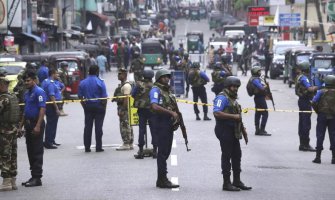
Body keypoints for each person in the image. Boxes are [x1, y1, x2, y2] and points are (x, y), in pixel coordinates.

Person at [213, 76, 252, 191]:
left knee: (237, 155)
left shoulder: (232, 98)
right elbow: (217, 113)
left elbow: (238, 116)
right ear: (228, 86)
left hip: (234, 131)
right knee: (227, 156)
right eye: (233, 86)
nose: (235, 88)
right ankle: (226, 183)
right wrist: (233, 116)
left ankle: (237, 180)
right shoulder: (222, 97)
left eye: (236, 87)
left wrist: (243, 130)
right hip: (224, 130)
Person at [149, 69, 179, 189]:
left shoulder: (167, 91)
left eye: (168, 77)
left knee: (166, 151)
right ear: (158, 78)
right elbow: (154, 106)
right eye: (164, 77)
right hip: (160, 123)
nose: (167, 78)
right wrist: (171, 113)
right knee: (162, 153)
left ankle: (160, 179)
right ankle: (162, 179)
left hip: (167, 123)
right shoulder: (155, 90)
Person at [20, 71, 47, 187]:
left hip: (36, 124)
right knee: (30, 151)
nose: (26, 82)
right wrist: (20, 126)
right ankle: (33, 176)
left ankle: (37, 178)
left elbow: (42, 109)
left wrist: (38, 126)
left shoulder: (39, 92)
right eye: (25, 81)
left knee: (36, 151)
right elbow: (25, 111)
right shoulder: (27, 93)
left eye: (28, 80)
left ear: (34, 80)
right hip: (28, 124)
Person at [78, 65, 108, 153]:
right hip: (99, 107)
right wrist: (104, 108)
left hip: (88, 107)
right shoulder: (100, 82)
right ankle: (98, 147)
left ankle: (87, 147)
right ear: (97, 71)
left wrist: (84, 106)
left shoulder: (83, 82)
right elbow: (104, 98)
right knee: (98, 127)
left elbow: (80, 96)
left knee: (87, 127)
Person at [0, 77, 20, 191]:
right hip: (13, 131)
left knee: (5, 156)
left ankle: (6, 182)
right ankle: (13, 181)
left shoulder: (3, 99)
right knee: (13, 155)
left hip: (4, 132)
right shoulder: (13, 97)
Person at [132, 70, 157, 159]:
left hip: (142, 110)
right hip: (152, 110)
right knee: (154, 129)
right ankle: (155, 151)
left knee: (141, 130)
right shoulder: (155, 86)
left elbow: (133, 94)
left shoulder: (138, 84)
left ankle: (141, 151)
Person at [311, 75, 335, 164]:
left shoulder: (321, 92)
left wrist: (318, 111)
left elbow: (313, 102)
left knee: (320, 135)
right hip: (333, 116)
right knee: (333, 136)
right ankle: (334, 157)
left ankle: (318, 157)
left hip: (322, 116)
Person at [295, 62, 318, 151]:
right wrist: (319, 87)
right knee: (306, 124)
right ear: (307, 69)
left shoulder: (299, 77)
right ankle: (305, 144)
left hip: (302, 101)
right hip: (305, 102)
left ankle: (302, 144)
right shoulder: (304, 78)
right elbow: (309, 89)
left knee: (302, 123)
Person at [246, 67, 271, 136]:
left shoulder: (253, 78)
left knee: (258, 113)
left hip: (257, 98)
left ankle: (257, 130)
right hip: (260, 98)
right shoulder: (255, 80)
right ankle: (262, 130)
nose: (260, 72)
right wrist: (266, 85)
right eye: (259, 71)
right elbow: (261, 88)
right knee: (265, 113)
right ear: (256, 72)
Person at [113, 68, 134, 150]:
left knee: (124, 126)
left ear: (125, 75)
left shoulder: (126, 86)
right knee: (128, 125)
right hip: (123, 108)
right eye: (118, 73)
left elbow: (126, 99)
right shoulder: (123, 85)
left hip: (124, 109)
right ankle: (130, 143)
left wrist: (122, 109)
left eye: (120, 74)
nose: (118, 75)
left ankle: (126, 143)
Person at [41, 69, 62, 149]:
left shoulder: (46, 81)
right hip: (51, 105)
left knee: (52, 123)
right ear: (53, 74)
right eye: (56, 73)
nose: (58, 75)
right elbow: (52, 96)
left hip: (49, 105)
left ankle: (51, 140)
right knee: (51, 124)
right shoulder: (50, 83)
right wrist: (56, 108)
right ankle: (48, 142)